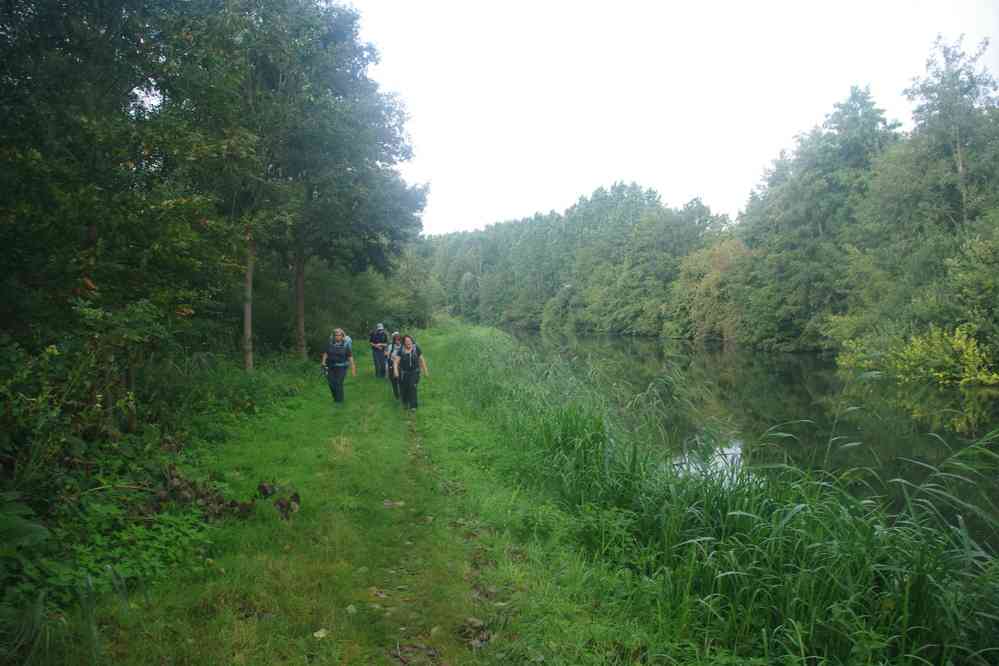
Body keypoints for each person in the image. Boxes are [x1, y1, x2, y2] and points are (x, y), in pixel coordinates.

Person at [393, 334, 429, 410]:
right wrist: (395, 371)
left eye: (410, 341)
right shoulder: (401, 350)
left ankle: (413, 406)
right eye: (407, 341)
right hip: (404, 373)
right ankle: (405, 402)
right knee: (404, 388)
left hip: (415, 372)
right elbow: (396, 362)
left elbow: (422, 360)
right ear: (404, 343)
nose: (409, 342)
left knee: (412, 386)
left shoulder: (416, 348)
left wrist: (425, 371)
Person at [321, 328, 356, 404]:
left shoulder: (346, 345)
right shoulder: (330, 344)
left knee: (338, 383)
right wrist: (323, 363)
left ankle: (339, 402)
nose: (337, 336)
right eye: (335, 335)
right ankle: (335, 399)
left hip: (342, 367)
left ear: (342, 336)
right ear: (333, 336)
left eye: (339, 335)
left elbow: (350, 358)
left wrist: (353, 369)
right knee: (331, 383)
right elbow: (326, 353)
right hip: (330, 367)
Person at [385, 331, 404, 400]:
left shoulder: (403, 346)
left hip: (401, 366)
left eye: (399, 339)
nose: (397, 341)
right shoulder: (391, 346)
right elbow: (386, 354)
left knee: (401, 382)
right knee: (394, 382)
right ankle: (396, 396)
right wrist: (393, 357)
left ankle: (402, 394)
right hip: (392, 366)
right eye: (396, 340)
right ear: (394, 340)